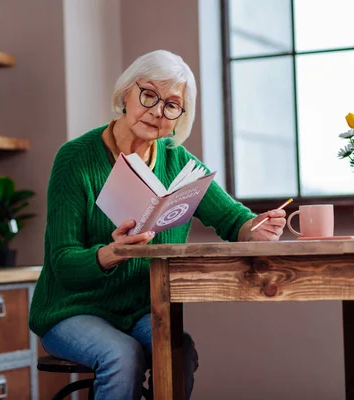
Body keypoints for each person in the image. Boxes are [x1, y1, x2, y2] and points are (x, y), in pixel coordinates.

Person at [29, 49, 286, 400]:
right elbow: (63, 262)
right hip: (71, 309)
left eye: (171, 104)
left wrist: (258, 228)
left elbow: (234, 221)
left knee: (179, 350)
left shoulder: (177, 163)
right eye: (148, 94)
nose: (156, 111)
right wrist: (111, 253)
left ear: (179, 117)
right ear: (125, 95)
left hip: (140, 311)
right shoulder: (75, 159)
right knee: (121, 354)